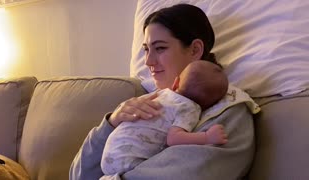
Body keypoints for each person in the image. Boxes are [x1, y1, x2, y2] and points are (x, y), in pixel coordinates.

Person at [70, 4, 258, 180]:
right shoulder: (146, 102)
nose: (148, 61)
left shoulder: (229, 109)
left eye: (160, 48)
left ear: (195, 49)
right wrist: (112, 123)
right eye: (146, 50)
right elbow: (78, 175)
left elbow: (191, 173)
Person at [101, 60, 229, 177]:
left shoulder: (163, 94)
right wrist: (207, 137)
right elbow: (174, 138)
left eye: (161, 48)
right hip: (128, 160)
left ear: (176, 83)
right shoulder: (190, 109)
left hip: (110, 151)